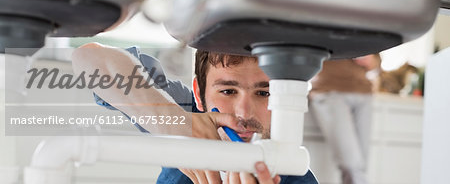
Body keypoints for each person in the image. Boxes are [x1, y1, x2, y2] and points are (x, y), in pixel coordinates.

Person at [71, 43, 319, 184]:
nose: (243, 113)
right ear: (199, 94)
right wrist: (176, 124)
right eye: (228, 91)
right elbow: (88, 57)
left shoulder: (295, 174)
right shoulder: (186, 110)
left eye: (264, 94)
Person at [308, 54, 380, 184]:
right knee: (351, 163)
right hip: (329, 90)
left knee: (360, 165)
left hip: (364, 92)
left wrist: (372, 60)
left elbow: (377, 62)